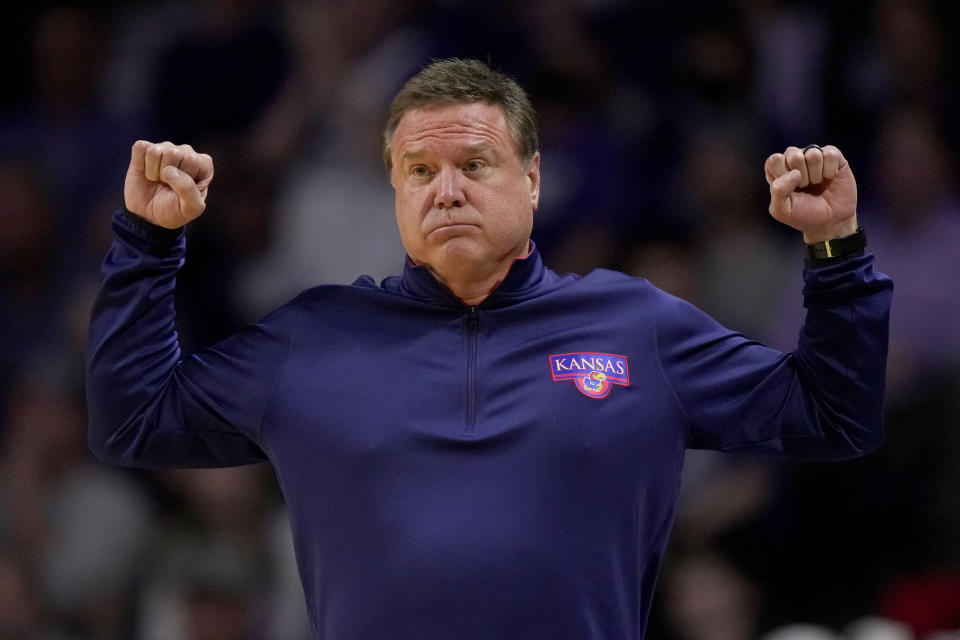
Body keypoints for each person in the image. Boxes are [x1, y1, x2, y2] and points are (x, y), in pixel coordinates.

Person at [86, 58, 892, 639]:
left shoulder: (636, 326)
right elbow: (134, 422)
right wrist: (149, 244)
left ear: (533, 180)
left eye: (475, 164)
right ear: (394, 189)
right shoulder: (313, 340)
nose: (447, 189)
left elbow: (834, 414)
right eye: (419, 169)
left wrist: (836, 252)